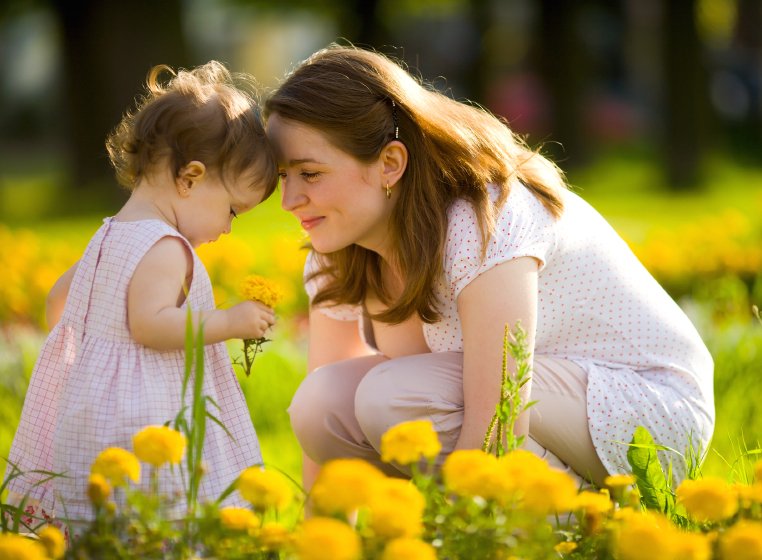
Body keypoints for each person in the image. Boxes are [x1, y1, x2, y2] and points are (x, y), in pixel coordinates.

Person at [264, 45, 714, 490]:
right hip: (542, 410)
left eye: (311, 173)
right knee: (322, 403)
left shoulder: (483, 216)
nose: (290, 200)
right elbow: (322, 427)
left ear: (390, 163)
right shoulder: (337, 244)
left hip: (653, 415)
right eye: (284, 176)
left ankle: (581, 519)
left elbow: (499, 419)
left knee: (395, 398)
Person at [6, 61, 278, 526]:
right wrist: (228, 323)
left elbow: (58, 302)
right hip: (146, 418)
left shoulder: (108, 234)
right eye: (233, 210)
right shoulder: (167, 247)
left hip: (90, 409)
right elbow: (151, 326)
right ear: (190, 178)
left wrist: (95, 360)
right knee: (157, 510)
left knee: (98, 517)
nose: (230, 228)